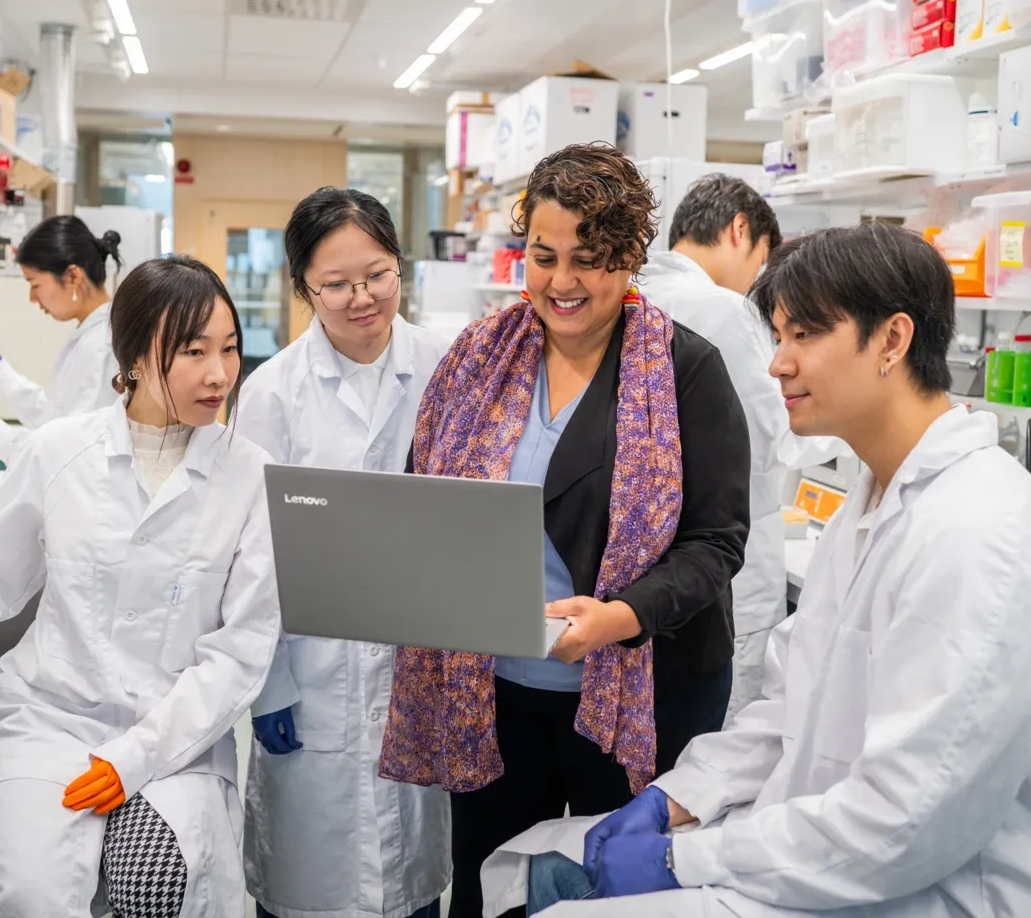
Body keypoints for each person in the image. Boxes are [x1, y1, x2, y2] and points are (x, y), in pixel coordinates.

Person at [511, 224, 1031, 917]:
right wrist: (676, 798)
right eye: (779, 335)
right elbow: (790, 705)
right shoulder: (875, 501)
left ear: (892, 340)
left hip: (930, 891)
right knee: (533, 863)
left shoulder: (981, 537)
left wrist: (686, 857)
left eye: (806, 336)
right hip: (833, 852)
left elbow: (905, 826)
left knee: (562, 908)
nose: (777, 364)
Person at [379, 143, 752, 918]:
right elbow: (425, 502)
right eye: (543, 257)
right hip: (495, 694)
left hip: (639, 696)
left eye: (588, 259)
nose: (561, 282)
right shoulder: (479, 359)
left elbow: (717, 543)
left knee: (605, 890)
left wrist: (620, 616)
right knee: (491, 883)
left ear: (628, 258)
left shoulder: (685, 370)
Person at [0, 256, 282, 917]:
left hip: (171, 737)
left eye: (229, 349)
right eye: (194, 351)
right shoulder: (59, 453)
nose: (220, 373)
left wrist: (135, 757)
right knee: (31, 895)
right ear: (137, 357)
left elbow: (239, 652)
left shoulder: (251, 475)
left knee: (155, 889)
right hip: (48, 722)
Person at [236, 187, 451, 918]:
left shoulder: (446, 367)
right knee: (309, 888)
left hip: (420, 667)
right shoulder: (273, 394)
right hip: (312, 669)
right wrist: (267, 685)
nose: (362, 298)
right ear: (304, 289)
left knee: (415, 884)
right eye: (336, 284)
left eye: (378, 274)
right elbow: (251, 554)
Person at [638, 174, 842, 721]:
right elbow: (771, 435)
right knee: (722, 749)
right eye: (765, 261)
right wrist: (851, 420)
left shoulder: (637, 291)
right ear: (740, 228)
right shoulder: (723, 309)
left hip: (651, 571)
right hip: (726, 568)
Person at [0, 215, 122, 463]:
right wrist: (0, 373)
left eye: (34, 283)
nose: (32, 298)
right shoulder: (91, 335)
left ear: (73, 276)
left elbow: (71, 453)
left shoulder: (101, 345)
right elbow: (58, 420)